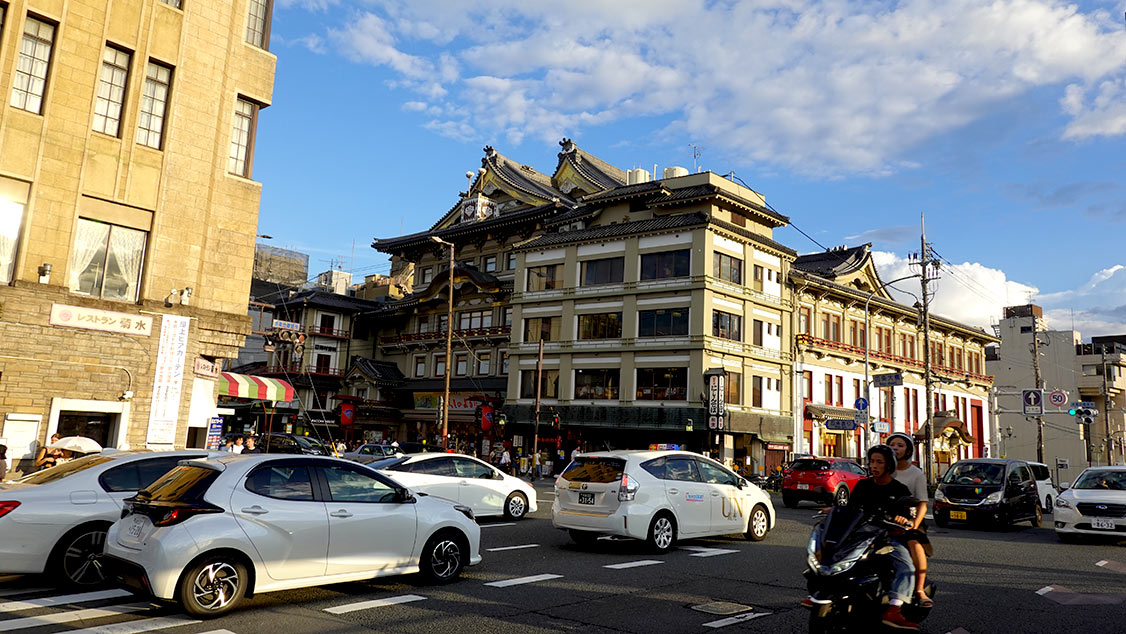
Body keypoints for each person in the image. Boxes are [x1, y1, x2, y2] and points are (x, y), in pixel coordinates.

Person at [804, 444, 919, 631]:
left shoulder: (899, 489)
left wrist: (903, 518)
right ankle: (821, 589)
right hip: (860, 534)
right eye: (872, 461)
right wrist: (835, 510)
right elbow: (851, 508)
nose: (874, 465)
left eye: (879, 462)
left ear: (889, 465)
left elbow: (908, 513)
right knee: (826, 551)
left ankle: (895, 607)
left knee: (905, 564)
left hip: (886, 537)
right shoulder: (862, 485)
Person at [888, 432, 933, 609]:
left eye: (900, 445)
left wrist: (914, 523)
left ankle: (920, 589)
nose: (895, 448)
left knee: (914, 543)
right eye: (892, 444)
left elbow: (922, 503)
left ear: (907, 450)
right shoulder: (884, 469)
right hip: (886, 517)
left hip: (910, 517)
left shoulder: (916, 474)